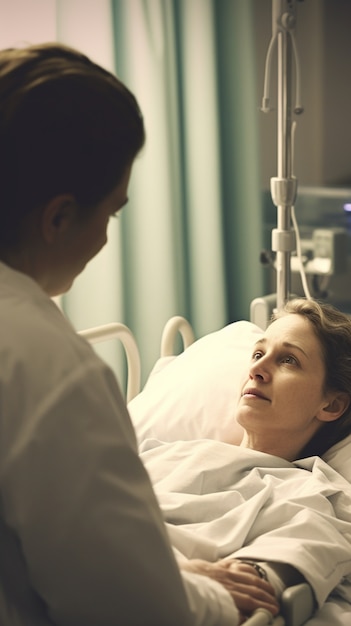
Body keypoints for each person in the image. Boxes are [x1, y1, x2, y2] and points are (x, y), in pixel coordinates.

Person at [0, 42, 279, 626]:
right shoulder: (50, 370)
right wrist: (207, 595)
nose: (104, 238)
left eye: (289, 359)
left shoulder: (310, 493)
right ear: (57, 218)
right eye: (112, 213)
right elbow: (131, 605)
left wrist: (170, 570)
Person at [154, 298, 351, 623]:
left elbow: (247, 598)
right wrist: (183, 571)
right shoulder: (161, 453)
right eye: (258, 354)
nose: (256, 370)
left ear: (331, 406)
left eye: (288, 360)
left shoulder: (313, 502)